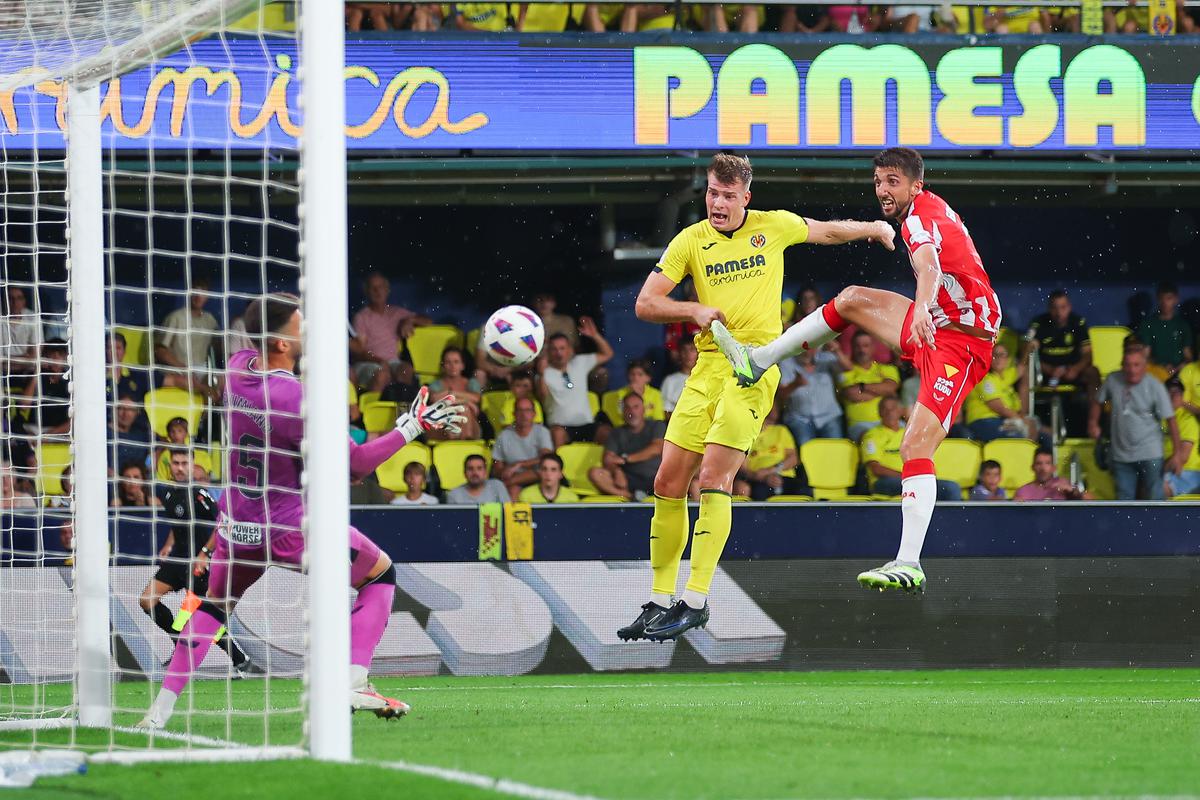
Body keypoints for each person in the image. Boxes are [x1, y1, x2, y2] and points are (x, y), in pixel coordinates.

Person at [138, 293, 465, 730]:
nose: (307, 327)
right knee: (380, 573)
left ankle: (158, 713)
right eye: (300, 323)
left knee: (213, 609)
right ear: (284, 344)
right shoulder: (299, 400)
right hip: (289, 528)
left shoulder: (236, 369)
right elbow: (356, 467)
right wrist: (411, 426)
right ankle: (353, 680)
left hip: (238, 527)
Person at [620, 152, 895, 643]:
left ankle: (696, 599)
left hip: (754, 369)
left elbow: (829, 231)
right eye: (711, 193)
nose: (717, 203)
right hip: (706, 368)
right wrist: (694, 309)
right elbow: (645, 303)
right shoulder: (690, 241)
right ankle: (660, 600)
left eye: (727, 196)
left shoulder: (775, 226)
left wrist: (873, 227)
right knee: (667, 480)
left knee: (713, 477)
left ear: (746, 198)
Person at [713, 147, 999, 595]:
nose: (883, 190)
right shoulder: (925, 210)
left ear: (915, 185)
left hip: (964, 341)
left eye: (893, 182)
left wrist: (923, 306)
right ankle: (759, 360)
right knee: (850, 300)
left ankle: (909, 562)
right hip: (937, 323)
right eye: (879, 180)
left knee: (914, 443)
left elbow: (929, 265)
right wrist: (926, 310)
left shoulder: (920, 219)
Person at [140, 447, 254, 674]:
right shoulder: (169, 493)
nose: (180, 468)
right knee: (146, 600)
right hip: (178, 559)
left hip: (198, 562)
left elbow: (222, 521)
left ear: (192, 465)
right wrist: (169, 544)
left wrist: (205, 553)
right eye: (176, 463)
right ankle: (178, 645)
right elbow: (181, 523)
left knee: (206, 616)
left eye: (184, 463)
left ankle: (239, 658)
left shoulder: (200, 493)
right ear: (170, 465)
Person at [1089, 347, 1180, 501]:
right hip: (1121, 454)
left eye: (1136, 365)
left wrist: (1176, 454)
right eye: (1128, 365)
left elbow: (1171, 419)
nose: (1132, 369)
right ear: (1122, 366)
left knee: (1155, 497)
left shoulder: (1155, 386)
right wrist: (1092, 422)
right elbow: (1098, 401)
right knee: (1124, 500)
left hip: (1150, 453)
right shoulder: (1113, 380)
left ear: (1145, 367)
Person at [861, 397, 961, 500]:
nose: (889, 412)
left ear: (900, 411)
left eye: (893, 408)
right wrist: (906, 476)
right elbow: (876, 469)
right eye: (885, 409)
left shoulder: (910, 433)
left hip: (912, 478)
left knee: (950, 487)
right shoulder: (872, 435)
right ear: (879, 412)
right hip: (884, 482)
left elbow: (924, 458)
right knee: (947, 488)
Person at [535, 319, 613, 449]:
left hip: (586, 425)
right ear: (548, 352)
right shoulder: (544, 373)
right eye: (554, 349)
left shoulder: (579, 362)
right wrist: (541, 374)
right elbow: (543, 397)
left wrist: (595, 336)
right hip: (561, 427)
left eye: (562, 348)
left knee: (607, 432)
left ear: (570, 350)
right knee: (557, 434)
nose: (559, 353)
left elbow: (608, 354)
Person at [351, 271, 431, 393]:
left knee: (406, 369)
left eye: (381, 287)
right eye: (373, 288)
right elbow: (360, 352)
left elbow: (428, 321)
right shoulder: (362, 317)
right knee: (382, 374)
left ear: (387, 290)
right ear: (367, 292)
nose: (377, 291)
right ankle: (372, 410)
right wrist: (380, 361)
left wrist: (410, 320)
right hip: (367, 363)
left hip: (392, 362)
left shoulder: (396, 313)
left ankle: (402, 409)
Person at [1023, 289, 1100, 402]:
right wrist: (1049, 369)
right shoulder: (1039, 323)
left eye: (1063, 307)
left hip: (1072, 372)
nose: (1059, 313)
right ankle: (1022, 417)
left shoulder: (1078, 322)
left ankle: (1093, 419)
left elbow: (1088, 354)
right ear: (1049, 308)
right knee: (1024, 372)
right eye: (1055, 308)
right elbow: (1026, 352)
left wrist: (1076, 369)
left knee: (1093, 373)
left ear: (1069, 307)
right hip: (1045, 373)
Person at [588, 392, 665, 501]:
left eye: (636, 407)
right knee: (595, 473)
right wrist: (616, 471)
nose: (632, 411)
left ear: (643, 409)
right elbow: (607, 459)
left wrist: (626, 459)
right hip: (628, 480)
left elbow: (657, 448)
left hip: (656, 477)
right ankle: (630, 496)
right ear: (623, 411)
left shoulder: (657, 425)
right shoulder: (616, 432)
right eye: (627, 407)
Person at [154, 277, 221, 392]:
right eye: (195, 292)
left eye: (203, 293)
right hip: (179, 370)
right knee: (204, 388)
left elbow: (219, 348)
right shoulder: (176, 317)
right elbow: (160, 351)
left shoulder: (210, 320)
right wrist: (183, 368)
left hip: (202, 371)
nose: (198, 297)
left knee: (222, 382)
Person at [964, 343, 1039, 442]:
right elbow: (999, 407)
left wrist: (1028, 349)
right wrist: (1021, 419)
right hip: (982, 420)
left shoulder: (1003, 377)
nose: (998, 358)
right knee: (1017, 439)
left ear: (1008, 359)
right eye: (995, 355)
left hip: (1000, 420)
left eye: (1002, 355)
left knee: (1038, 432)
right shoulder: (985, 378)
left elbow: (1021, 367)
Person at [778, 344, 846, 445]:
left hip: (829, 417)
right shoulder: (786, 363)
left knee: (835, 453)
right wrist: (795, 384)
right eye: (804, 348)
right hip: (800, 419)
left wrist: (837, 349)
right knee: (807, 457)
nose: (807, 352)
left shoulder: (827, 358)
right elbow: (781, 396)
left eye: (812, 347)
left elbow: (848, 369)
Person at [838, 331, 900, 441]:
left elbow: (891, 388)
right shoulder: (846, 372)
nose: (862, 350)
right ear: (852, 347)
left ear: (873, 347)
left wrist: (862, 387)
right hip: (860, 425)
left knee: (911, 434)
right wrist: (881, 390)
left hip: (888, 422)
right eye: (858, 346)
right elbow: (852, 395)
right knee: (871, 438)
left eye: (866, 346)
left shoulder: (888, 369)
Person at [492, 396, 553, 500]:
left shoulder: (542, 432)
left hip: (539, 476)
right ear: (514, 414)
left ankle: (508, 483)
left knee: (542, 471)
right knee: (512, 491)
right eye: (520, 410)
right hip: (514, 477)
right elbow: (497, 468)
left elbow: (546, 458)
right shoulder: (503, 435)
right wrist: (505, 472)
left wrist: (519, 464)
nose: (524, 414)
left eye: (527, 410)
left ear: (534, 414)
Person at [735, 405, 801, 500]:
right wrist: (764, 478)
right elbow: (745, 470)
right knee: (759, 493)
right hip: (759, 480)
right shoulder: (744, 435)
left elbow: (794, 458)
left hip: (784, 476)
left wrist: (771, 471)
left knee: (804, 491)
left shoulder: (780, 431)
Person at [1137, 281, 1193, 380]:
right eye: (1161, 299)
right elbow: (1145, 356)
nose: (1165, 303)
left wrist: (1176, 369)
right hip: (1155, 374)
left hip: (1179, 376)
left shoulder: (1183, 325)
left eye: (1169, 298)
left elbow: (1188, 357)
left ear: (1176, 299)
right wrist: (1162, 367)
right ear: (1157, 299)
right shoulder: (1148, 324)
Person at [427, 347, 482, 440]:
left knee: (465, 410)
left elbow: (476, 398)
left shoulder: (471, 383)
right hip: (441, 426)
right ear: (443, 366)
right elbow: (434, 399)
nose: (452, 366)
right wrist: (465, 401)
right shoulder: (436, 385)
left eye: (456, 362)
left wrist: (450, 393)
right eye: (448, 362)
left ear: (462, 365)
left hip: (471, 425)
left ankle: (465, 441)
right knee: (462, 408)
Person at [20, 340, 72, 438]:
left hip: (58, 430)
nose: (55, 359)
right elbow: (24, 405)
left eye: (59, 355)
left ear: (65, 358)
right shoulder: (36, 376)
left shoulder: (70, 379)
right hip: (35, 429)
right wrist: (37, 373)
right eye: (52, 356)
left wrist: (48, 436)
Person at [1163, 380, 1200, 498]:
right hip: (1164, 469)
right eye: (1169, 391)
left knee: (1156, 487)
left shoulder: (1187, 419)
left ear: (1182, 396)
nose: (1173, 395)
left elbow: (1181, 458)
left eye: (1177, 392)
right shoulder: (1157, 416)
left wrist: (1155, 471)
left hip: (1186, 472)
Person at [1013, 448, 1089, 501]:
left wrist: (1072, 491)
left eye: (1047, 463)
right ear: (1032, 467)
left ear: (1054, 468)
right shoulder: (1023, 492)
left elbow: (1089, 500)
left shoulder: (1064, 484)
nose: (1043, 468)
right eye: (1039, 463)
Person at [2, 285, 42, 382]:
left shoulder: (33, 318)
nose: (15, 303)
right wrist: (25, 360)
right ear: (4, 301)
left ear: (24, 301)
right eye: (11, 298)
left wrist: (6, 362)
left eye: (19, 298)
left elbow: (35, 355)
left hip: (27, 373)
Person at [609, 360, 665, 424]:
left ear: (648, 378)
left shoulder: (656, 394)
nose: (635, 378)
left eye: (640, 374)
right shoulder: (620, 394)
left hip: (650, 430)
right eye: (632, 374)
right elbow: (620, 418)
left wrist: (639, 396)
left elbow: (659, 419)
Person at [445, 454, 511, 505]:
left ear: (485, 472)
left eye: (479, 468)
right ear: (464, 473)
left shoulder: (497, 486)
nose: (475, 473)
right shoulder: (454, 494)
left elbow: (507, 513)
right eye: (470, 469)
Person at [110, 394, 153, 470]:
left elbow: (162, 443)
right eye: (121, 408)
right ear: (114, 410)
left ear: (136, 413)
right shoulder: (105, 434)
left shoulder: (141, 435)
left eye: (130, 409)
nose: (125, 413)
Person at [661, 339, 697, 420]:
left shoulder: (706, 378)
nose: (688, 354)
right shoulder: (670, 381)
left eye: (692, 349)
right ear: (679, 354)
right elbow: (666, 411)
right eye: (684, 350)